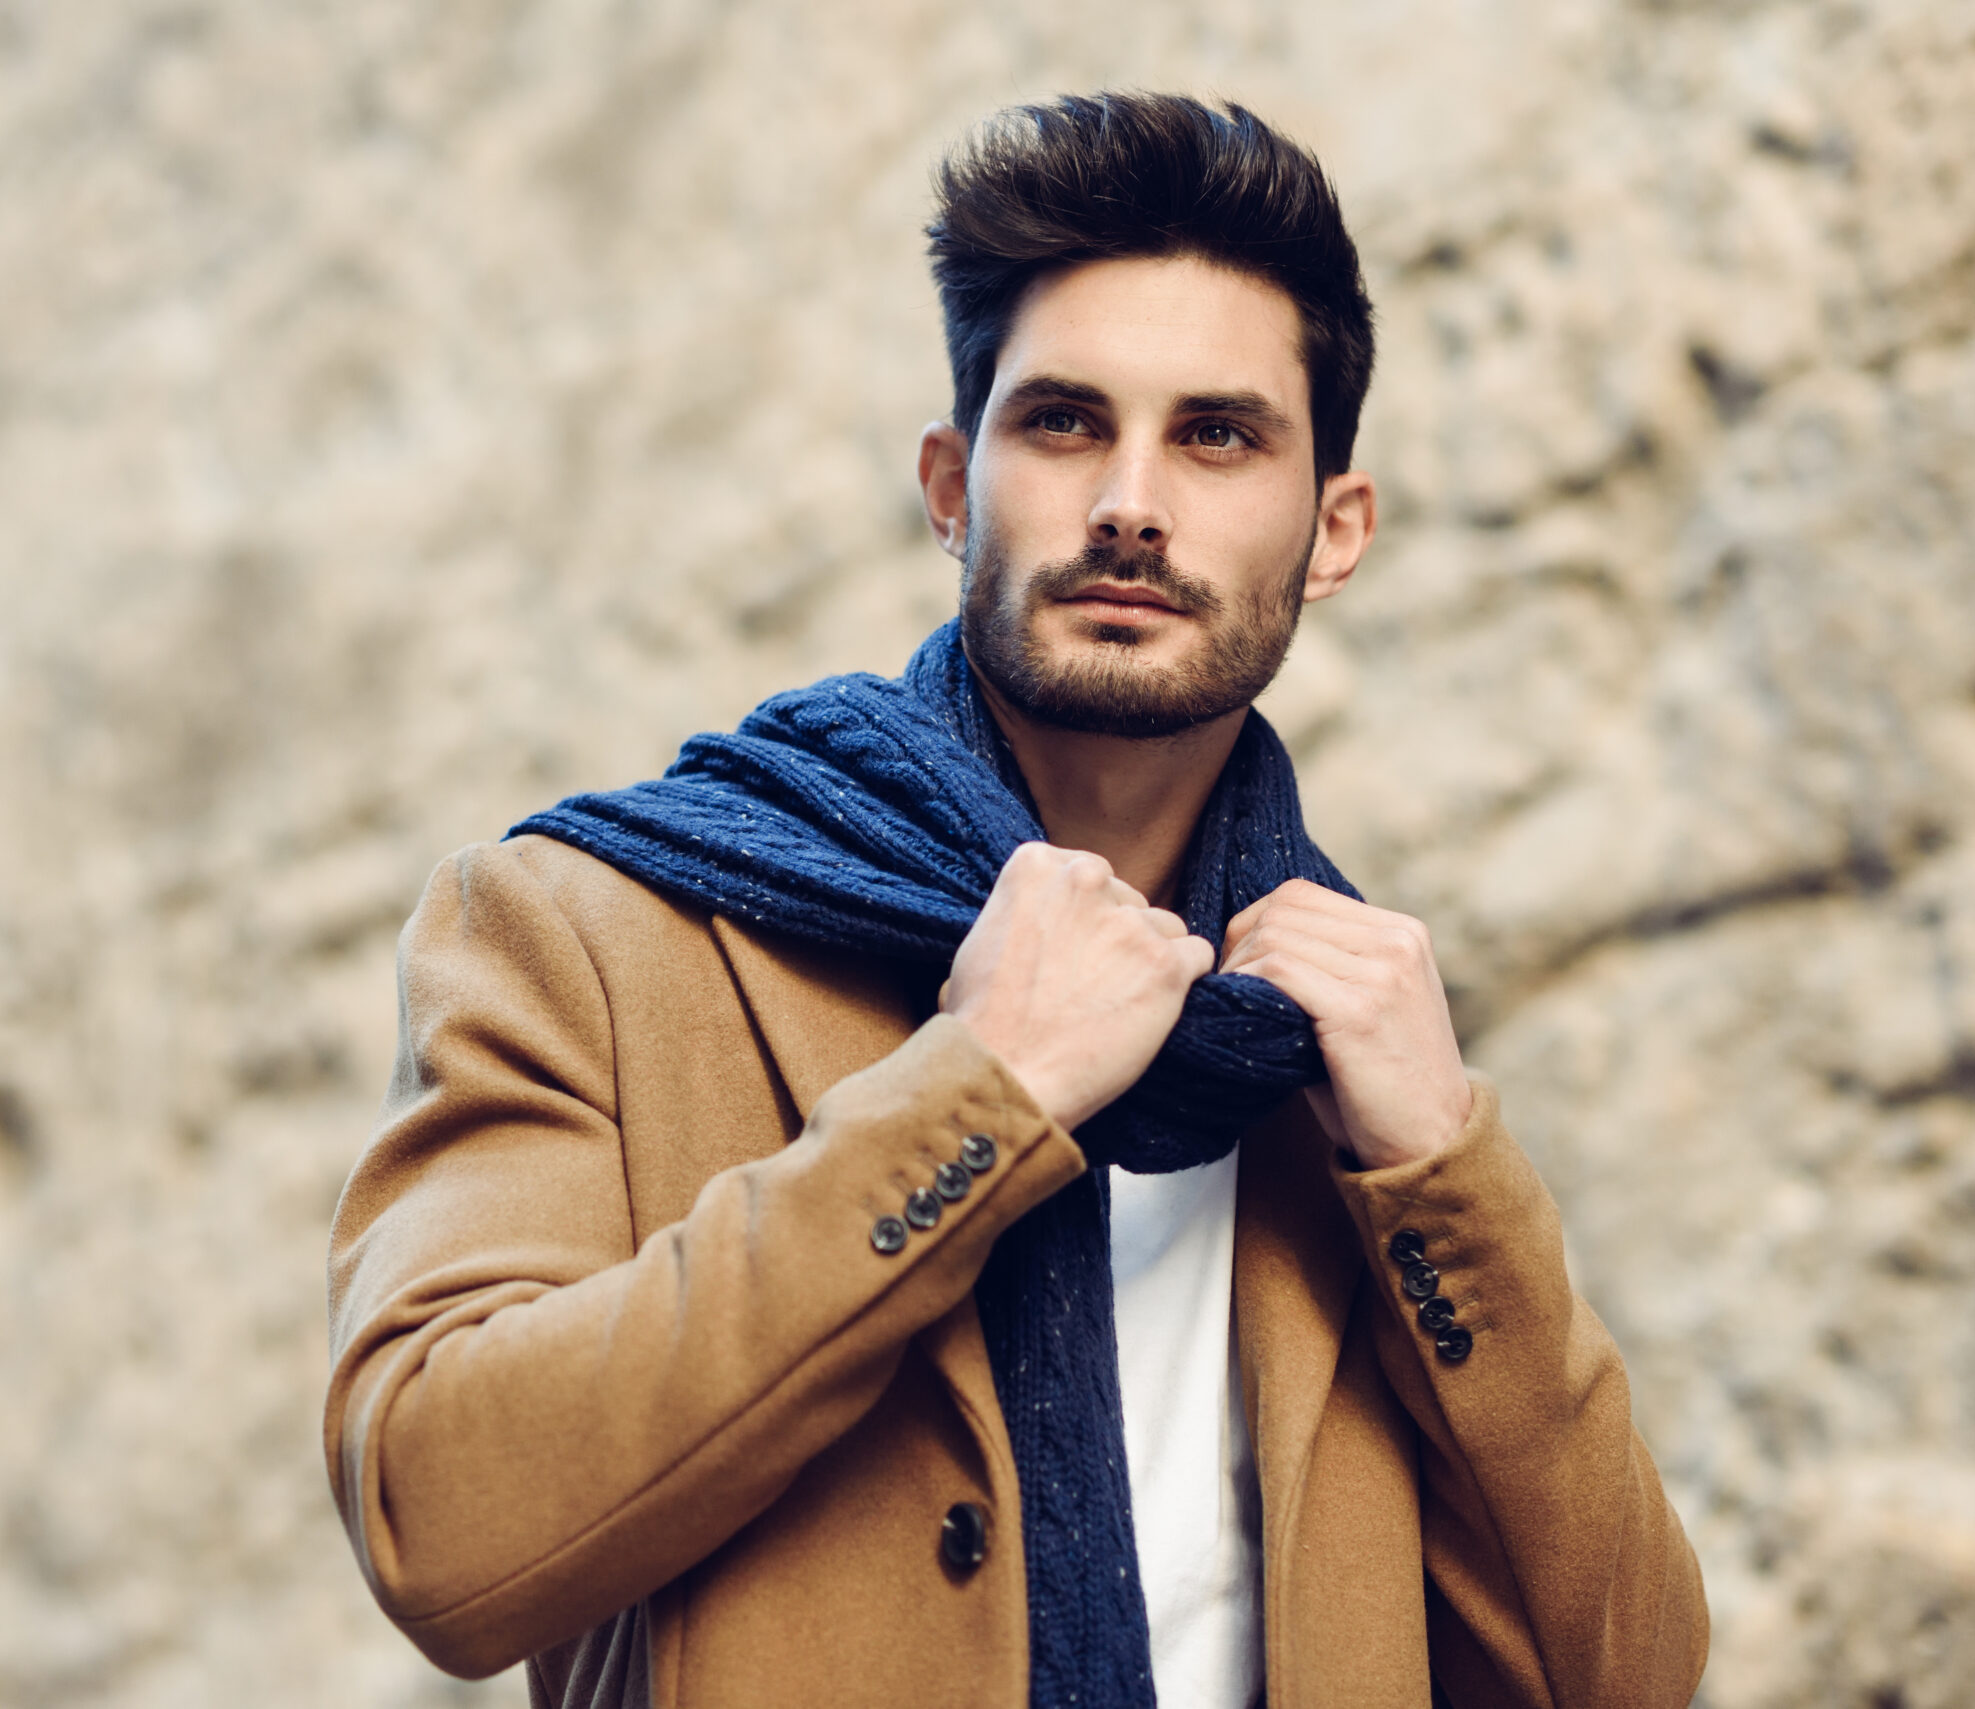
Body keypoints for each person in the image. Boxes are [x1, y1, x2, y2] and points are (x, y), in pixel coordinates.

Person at [325, 91, 1708, 1708]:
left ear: (1334, 531)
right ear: (948, 486)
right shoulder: (589, 929)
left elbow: (1628, 1673)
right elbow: (443, 1518)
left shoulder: (1319, 1050)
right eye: (1061, 421)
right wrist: (977, 1093)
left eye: (1218, 433)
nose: (1132, 498)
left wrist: (1442, 1171)